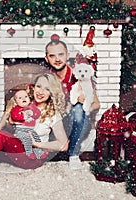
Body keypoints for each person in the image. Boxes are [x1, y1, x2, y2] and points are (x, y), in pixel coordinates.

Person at [44, 36, 100, 169]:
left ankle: (73, 154)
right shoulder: (46, 78)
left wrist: (85, 104)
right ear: (47, 59)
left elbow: (96, 104)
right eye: (52, 56)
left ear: (67, 55)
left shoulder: (80, 74)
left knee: (78, 109)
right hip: (56, 121)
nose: (57, 59)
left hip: (76, 120)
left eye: (61, 54)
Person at [11, 90, 48, 159]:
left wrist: (33, 113)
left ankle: (39, 153)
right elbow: (14, 116)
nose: (24, 99)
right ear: (16, 102)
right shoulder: (16, 108)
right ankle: (29, 153)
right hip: (20, 130)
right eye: (20, 98)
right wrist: (23, 116)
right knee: (27, 139)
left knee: (37, 139)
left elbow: (38, 114)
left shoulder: (32, 107)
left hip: (31, 130)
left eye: (26, 97)